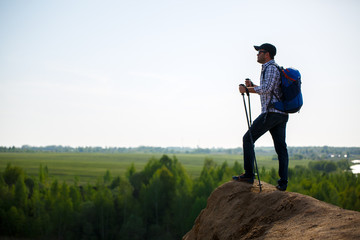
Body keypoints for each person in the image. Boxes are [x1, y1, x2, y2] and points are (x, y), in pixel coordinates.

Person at [234, 43, 289, 191]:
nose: (257, 54)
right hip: (280, 114)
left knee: (248, 139)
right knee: (281, 148)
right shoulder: (272, 69)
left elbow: (266, 89)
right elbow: (269, 89)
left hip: (271, 113)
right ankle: (283, 183)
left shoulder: (270, 68)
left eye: (260, 52)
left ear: (267, 54)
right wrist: (252, 86)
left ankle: (249, 175)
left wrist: (247, 89)